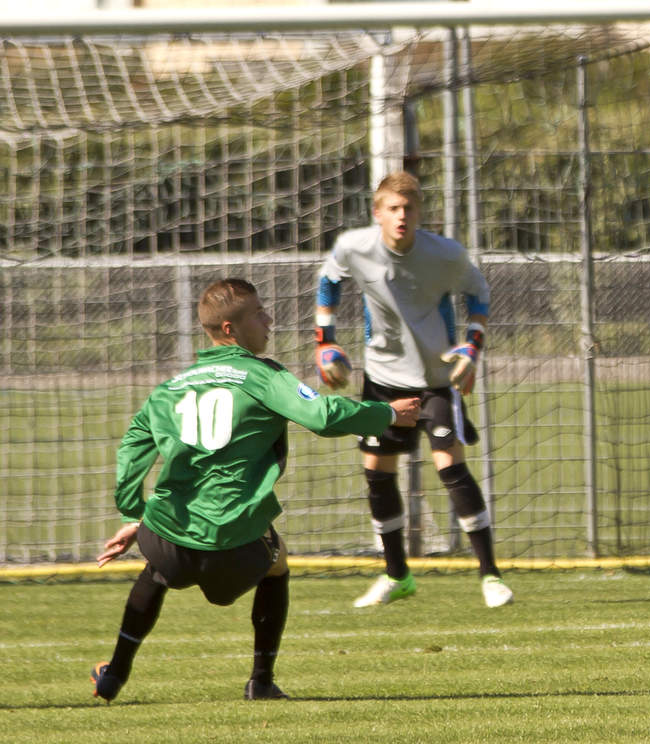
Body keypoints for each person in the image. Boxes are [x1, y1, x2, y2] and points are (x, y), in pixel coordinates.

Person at [90, 278, 421, 703]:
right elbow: (322, 415)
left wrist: (133, 516)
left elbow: (132, 452)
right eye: (259, 313)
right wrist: (386, 413)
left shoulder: (171, 387)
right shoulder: (262, 376)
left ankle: (114, 675)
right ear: (230, 329)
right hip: (235, 543)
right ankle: (261, 682)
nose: (270, 319)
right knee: (277, 564)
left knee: (157, 567)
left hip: (169, 537)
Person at [314, 171, 513, 609]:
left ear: (420, 212)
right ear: (378, 213)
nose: (402, 216)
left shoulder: (446, 255)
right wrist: (325, 342)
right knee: (377, 473)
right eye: (394, 208)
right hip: (382, 381)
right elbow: (328, 281)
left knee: (450, 468)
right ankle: (396, 575)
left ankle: (491, 577)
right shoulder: (354, 246)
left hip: (436, 381)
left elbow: (478, 292)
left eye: (410, 208)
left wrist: (472, 348)